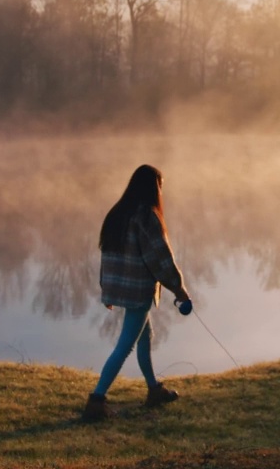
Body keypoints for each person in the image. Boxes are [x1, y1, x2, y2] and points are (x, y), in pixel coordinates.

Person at [82, 164, 191, 422]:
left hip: (122, 289)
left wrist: (106, 291)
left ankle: (153, 390)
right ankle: (96, 401)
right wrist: (179, 289)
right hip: (138, 291)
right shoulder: (147, 217)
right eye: (160, 187)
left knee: (145, 336)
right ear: (154, 188)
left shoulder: (118, 213)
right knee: (124, 347)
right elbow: (160, 258)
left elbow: (106, 257)